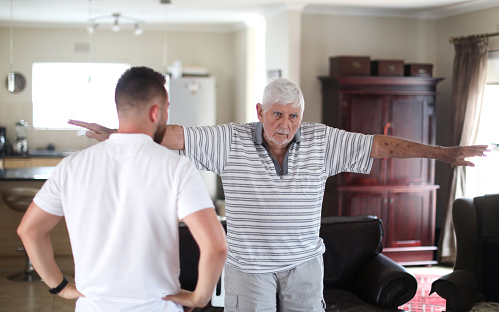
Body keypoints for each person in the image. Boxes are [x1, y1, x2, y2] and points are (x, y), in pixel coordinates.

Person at [69, 77, 488, 312]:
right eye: (276, 115)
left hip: (304, 266)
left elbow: (380, 145)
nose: (285, 125)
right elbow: (172, 136)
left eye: (293, 116)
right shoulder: (228, 140)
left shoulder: (323, 141)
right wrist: (116, 135)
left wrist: (444, 154)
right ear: (259, 112)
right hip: (247, 269)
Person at [18, 66, 228, 312]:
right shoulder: (177, 168)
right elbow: (216, 246)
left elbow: (29, 230)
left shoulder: (71, 167)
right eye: (167, 108)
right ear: (156, 111)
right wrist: (198, 299)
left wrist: (61, 287)